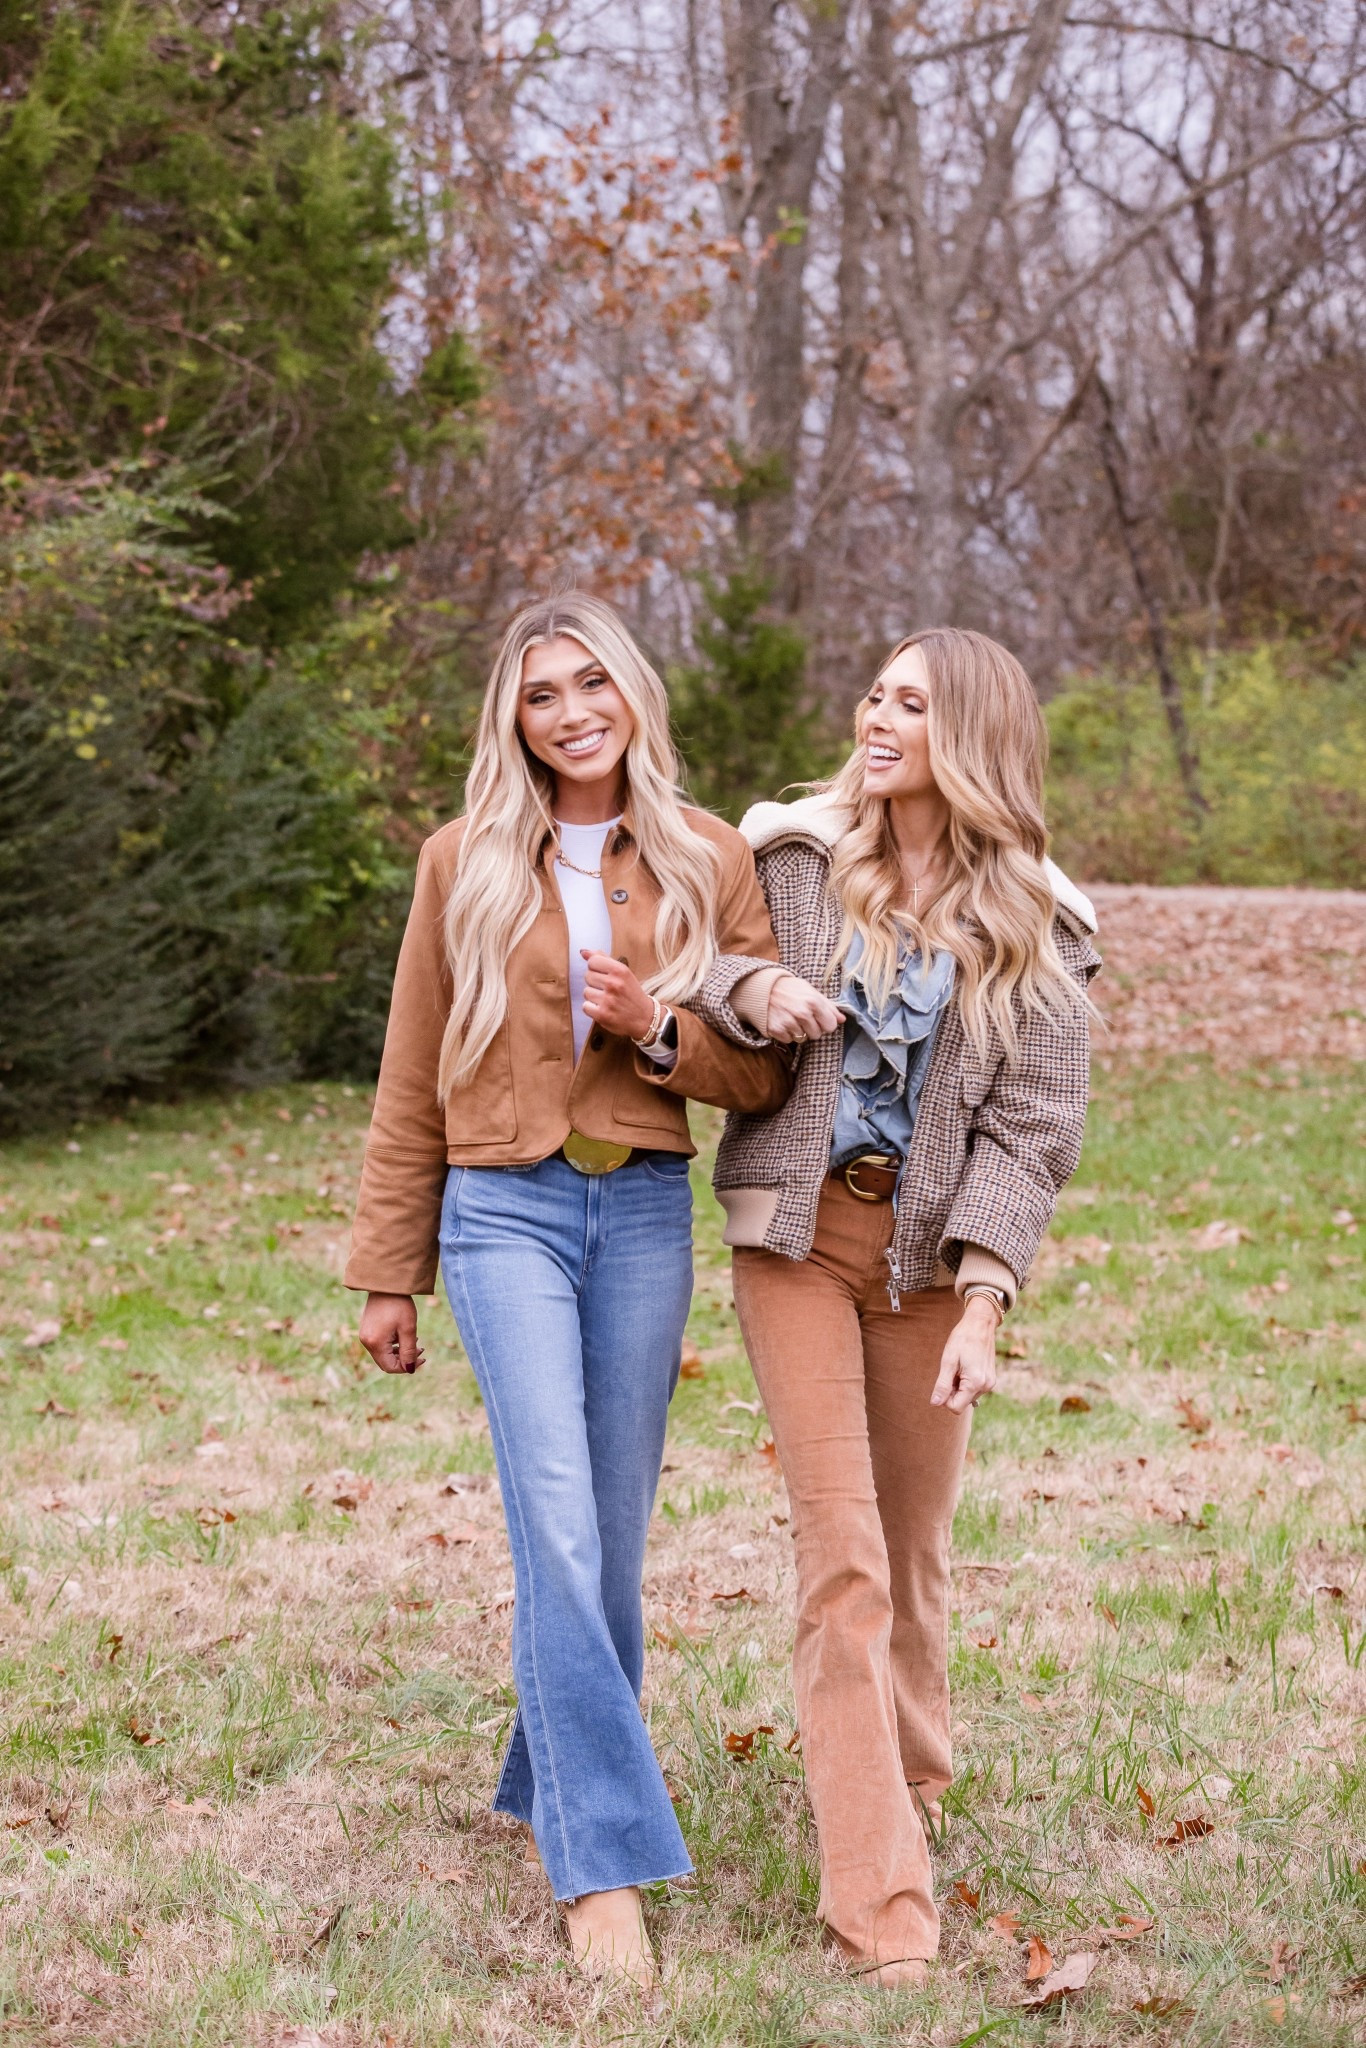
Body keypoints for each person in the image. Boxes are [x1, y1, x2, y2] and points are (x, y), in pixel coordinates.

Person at [345, 595, 789, 1990]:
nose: (572, 709)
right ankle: (599, 1866)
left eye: (592, 682)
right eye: (543, 693)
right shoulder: (458, 859)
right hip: (501, 1211)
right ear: (515, 720)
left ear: (633, 696)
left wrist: (653, 1026)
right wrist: (385, 1270)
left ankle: (541, 1783)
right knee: (551, 1519)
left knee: (604, 1530)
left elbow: (762, 1075)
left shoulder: (710, 855)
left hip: (643, 1205)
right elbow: (412, 1065)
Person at [688, 626, 1100, 1986]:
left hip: (928, 1266)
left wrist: (984, 1297)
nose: (876, 718)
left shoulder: (1039, 918)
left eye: (909, 705)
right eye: (871, 692)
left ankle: (911, 1781)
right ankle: (883, 1914)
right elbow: (706, 969)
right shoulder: (793, 858)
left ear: (967, 737)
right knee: (844, 1558)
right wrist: (759, 987)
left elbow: (1032, 1125)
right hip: (797, 1238)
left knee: (912, 1551)